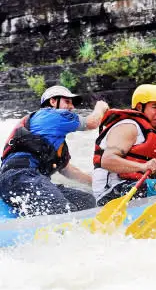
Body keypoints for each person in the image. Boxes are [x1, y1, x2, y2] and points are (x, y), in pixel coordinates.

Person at [0, 85, 109, 216]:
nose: (72, 107)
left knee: (87, 200)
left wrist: (99, 185)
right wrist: (100, 107)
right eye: (67, 101)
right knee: (62, 210)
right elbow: (93, 122)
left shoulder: (55, 141)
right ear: (52, 101)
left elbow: (68, 171)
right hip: (19, 177)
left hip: (32, 179)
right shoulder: (50, 115)